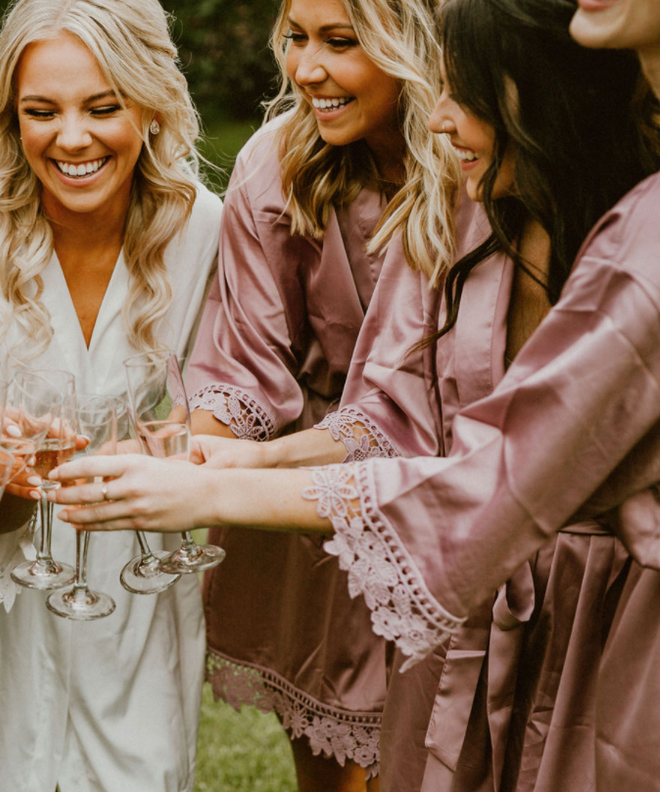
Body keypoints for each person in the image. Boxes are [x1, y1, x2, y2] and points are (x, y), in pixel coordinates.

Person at [52, 0, 660, 789]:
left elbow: (494, 478)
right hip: (442, 584)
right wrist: (234, 457)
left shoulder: (626, 245)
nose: (438, 119)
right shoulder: (459, 196)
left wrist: (211, 491)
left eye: (464, 94)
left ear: (541, 92)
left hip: (597, 613)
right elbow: (392, 407)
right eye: (295, 39)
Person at [0, 0, 222, 789]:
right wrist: (7, 476)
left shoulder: (206, 235)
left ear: (151, 105)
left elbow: (235, 406)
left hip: (132, 587)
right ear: (10, 120)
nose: (72, 138)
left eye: (103, 106)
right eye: (42, 112)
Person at [180, 0, 454, 785]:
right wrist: (199, 455)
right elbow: (243, 355)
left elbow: (410, 397)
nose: (305, 70)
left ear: (414, 43)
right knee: (331, 771)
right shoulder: (276, 161)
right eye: (295, 39)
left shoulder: (472, 170)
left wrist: (249, 470)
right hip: (311, 508)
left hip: (446, 492)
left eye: (341, 42)